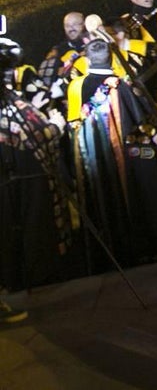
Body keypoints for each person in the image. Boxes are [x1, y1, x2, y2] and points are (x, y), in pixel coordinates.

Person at [67, 39, 157, 267]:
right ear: (112, 58)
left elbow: (74, 127)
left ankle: (111, 250)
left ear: (87, 60)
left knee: (107, 201)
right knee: (136, 195)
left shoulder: (76, 88)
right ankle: (144, 246)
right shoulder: (124, 87)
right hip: (131, 160)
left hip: (99, 163)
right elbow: (145, 123)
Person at [1, 38, 74, 306]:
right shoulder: (12, 104)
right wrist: (56, 125)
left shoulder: (13, 101)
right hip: (23, 180)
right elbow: (40, 134)